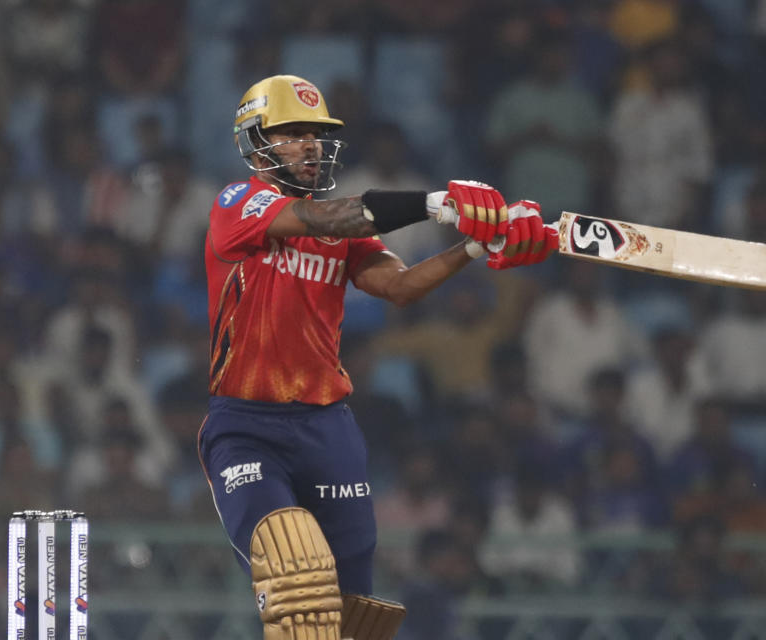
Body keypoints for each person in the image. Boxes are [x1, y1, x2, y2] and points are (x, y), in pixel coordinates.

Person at [197, 74, 557, 640]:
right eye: (292, 134)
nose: (310, 145)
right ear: (256, 141)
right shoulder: (238, 202)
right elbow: (326, 218)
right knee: (294, 574)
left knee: (354, 610)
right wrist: (438, 203)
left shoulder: (347, 236)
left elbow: (401, 287)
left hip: (327, 427)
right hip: (246, 426)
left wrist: (476, 245)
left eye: (316, 134)